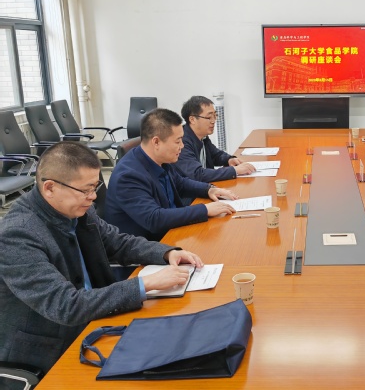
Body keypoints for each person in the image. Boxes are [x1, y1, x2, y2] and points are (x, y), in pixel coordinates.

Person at [0, 142, 204, 375]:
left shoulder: (77, 209)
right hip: (52, 350)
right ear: (50, 188)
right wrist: (146, 284)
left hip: (97, 322)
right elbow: (66, 306)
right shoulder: (18, 235)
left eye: (94, 186)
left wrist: (167, 253)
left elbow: (118, 242)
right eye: (85, 190)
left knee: (181, 345)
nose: (93, 196)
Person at [105, 108, 237, 242]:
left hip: (172, 231)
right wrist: (204, 210)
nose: (182, 146)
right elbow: (154, 219)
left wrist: (209, 189)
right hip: (149, 245)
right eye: (178, 141)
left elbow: (180, 182)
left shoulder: (160, 158)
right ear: (156, 142)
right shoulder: (128, 176)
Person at [176, 96, 256, 183]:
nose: (213, 121)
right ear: (192, 119)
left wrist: (229, 159)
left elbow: (216, 155)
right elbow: (197, 174)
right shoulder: (182, 142)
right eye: (209, 117)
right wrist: (234, 170)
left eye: (215, 116)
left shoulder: (203, 137)